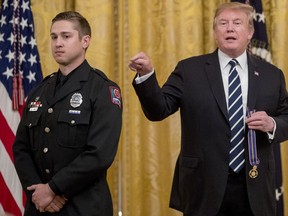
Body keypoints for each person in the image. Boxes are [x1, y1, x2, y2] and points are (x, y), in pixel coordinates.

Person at [128, 2, 288, 216]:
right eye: (223, 23)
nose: (229, 28)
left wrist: (272, 124)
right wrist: (147, 75)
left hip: (255, 187)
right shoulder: (189, 70)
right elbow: (159, 110)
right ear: (215, 32)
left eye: (237, 23)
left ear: (250, 32)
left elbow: (286, 117)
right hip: (203, 187)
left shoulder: (272, 75)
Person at [13, 11, 122, 216]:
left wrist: (53, 189)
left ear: (85, 41)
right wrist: (38, 191)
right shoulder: (40, 90)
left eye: (66, 36)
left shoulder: (102, 89)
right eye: (54, 37)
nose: (58, 43)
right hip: (40, 207)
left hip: (83, 207)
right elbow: (21, 147)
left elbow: (99, 154)